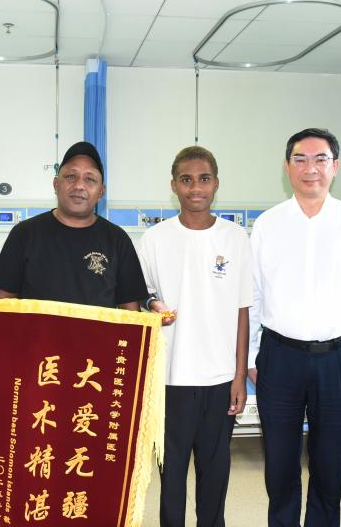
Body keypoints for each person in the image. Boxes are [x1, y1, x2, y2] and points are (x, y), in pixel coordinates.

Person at [248, 128, 341, 527]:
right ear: (288, 167)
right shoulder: (268, 224)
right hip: (279, 357)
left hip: (337, 359)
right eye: (301, 159)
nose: (311, 168)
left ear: (335, 166)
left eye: (320, 159)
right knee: (280, 463)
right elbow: (254, 293)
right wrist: (255, 353)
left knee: (329, 466)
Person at [137, 146, 252, 527]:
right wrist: (152, 303)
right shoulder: (153, 240)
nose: (195, 187)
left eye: (204, 179)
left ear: (216, 184)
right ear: (174, 185)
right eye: (186, 179)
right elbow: (142, 297)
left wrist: (239, 376)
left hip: (220, 379)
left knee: (215, 474)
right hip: (171, 379)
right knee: (171, 478)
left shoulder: (236, 239)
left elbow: (242, 312)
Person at [0, 141, 146, 309]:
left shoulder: (118, 241)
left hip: (97, 337)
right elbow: (1, 305)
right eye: (71, 176)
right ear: (56, 185)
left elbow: (130, 314)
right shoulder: (24, 234)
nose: (79, 186)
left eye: (90, 179)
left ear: (101, 191)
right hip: (36, 336)